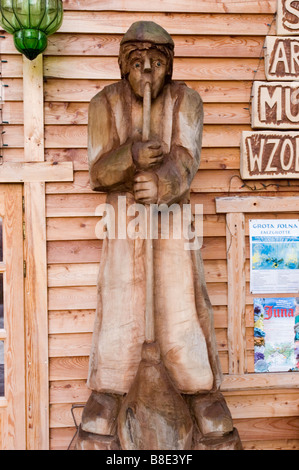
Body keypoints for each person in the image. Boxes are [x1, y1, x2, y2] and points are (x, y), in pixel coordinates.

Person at [81, 21, 233, 441]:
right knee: (120, 300)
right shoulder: (103, 104)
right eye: (137, 62)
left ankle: (199, 389)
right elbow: (98, 171)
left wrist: (163, 181)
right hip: (124, 228)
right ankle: (109, 389)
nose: (147, 71)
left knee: (180, 297)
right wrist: (130, 157)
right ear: (122, 66)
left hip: (173, 226)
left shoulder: (187, 101)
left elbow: (187, 157)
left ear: (170, 67)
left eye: (157, 62)